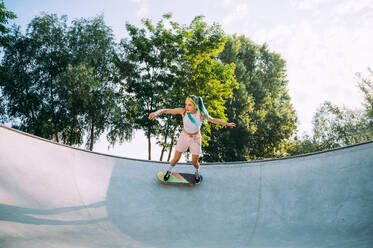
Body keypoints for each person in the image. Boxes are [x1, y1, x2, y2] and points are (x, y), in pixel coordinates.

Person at [148, 95, 236, 183]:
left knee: (195, 162)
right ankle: (169, 171)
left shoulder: (201, 114)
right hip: (184, 137)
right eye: (186, 104)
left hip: (196, 138)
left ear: (195, 106)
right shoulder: (183, 112)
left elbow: (213, 120)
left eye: (189, 105)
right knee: (175, 159)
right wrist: (156, 113)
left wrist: (226, 124)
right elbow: (166, 110)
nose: (187, 107)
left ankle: (196, 173)